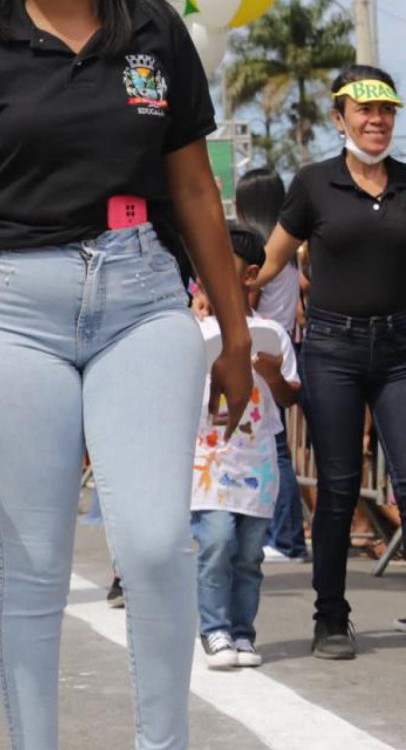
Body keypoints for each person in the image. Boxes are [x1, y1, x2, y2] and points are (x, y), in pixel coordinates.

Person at [0, 1, 255, 747]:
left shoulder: (155, 29)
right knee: (33, 566)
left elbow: (195, 189)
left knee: (157, 545)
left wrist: (233, 336)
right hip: (7, 310)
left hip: (143, 295)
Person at [255, 64, 406, 659]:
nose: (377, 121)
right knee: (339, 487)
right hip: (333, 350)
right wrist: (221, 292)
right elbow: (271, 262)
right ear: (339, 118)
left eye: (387, 111)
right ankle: (331, 618)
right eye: (365, 111)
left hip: (401, 351)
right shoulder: (314, 184)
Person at [191, 226, 299, 670]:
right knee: (216, 542)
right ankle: (214, 629)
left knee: (251, 553)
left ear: (250, 275)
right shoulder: (193, 332)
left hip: (257, 463)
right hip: (209, 462)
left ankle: (243, 632)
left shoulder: (271, 332)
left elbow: (291, 396)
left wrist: (272, 374)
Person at [234, 169, 309, 565]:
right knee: (277, 446)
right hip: (286, 345)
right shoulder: (290, 251)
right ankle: (285, 536)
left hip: (260, 351)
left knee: (272, 449)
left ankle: (287, 539)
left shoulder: (258, 251)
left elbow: (249, 301)